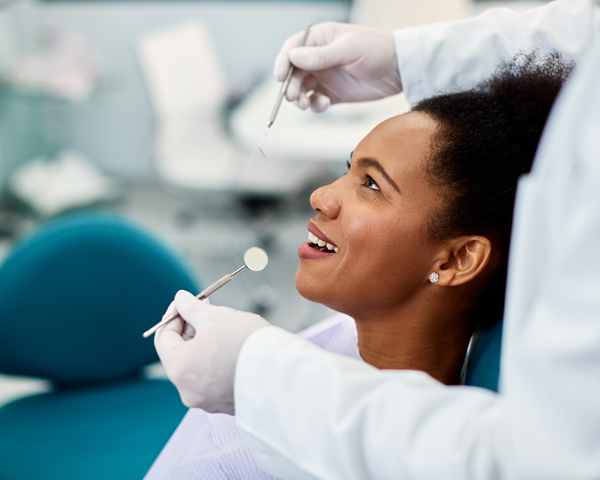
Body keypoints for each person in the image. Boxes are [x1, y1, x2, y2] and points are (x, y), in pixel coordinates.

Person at [150, 50, 573, 479]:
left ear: (456, 260)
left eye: (371, 184)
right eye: (348, 168)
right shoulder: (236, 443)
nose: (321, 196)